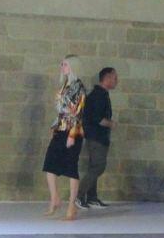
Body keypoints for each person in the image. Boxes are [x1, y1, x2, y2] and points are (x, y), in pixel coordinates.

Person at [41, 55, 86, 220]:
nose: (62, 67)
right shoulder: (65, 85)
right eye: (62, 64)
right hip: (60, 128)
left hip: (73, 131)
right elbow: (61, 110)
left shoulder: (79, 87)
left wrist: (72, 135)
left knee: (71, 167)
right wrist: (55, 127)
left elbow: (78, 113)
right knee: (49, 164)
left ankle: (71, 207)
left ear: (73, 67)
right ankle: (55, 199)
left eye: (65, 64)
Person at [78, 66, 117, 208]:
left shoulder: (101, 94)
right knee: (98, 167)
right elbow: (96, 118)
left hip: (97, 137)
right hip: (96, 137)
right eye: (114, 78)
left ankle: (92, 197)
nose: (116, 81)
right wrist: (111, 124)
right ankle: (78, 195)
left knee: (94, 167)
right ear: (107, 78)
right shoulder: (98, 95)